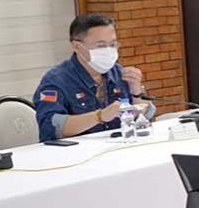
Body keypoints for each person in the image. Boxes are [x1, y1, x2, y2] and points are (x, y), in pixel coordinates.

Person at [34, 14, 154, 142]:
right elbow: (49, 126)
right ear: (77, 47)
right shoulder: (57, 80)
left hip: (117, 147)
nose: (108, 51)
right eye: (101, 46)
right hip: (75, 154)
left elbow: (146, 117)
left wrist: (136, 92)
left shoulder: (119, 72)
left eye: (113, 45)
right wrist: (99, 116)